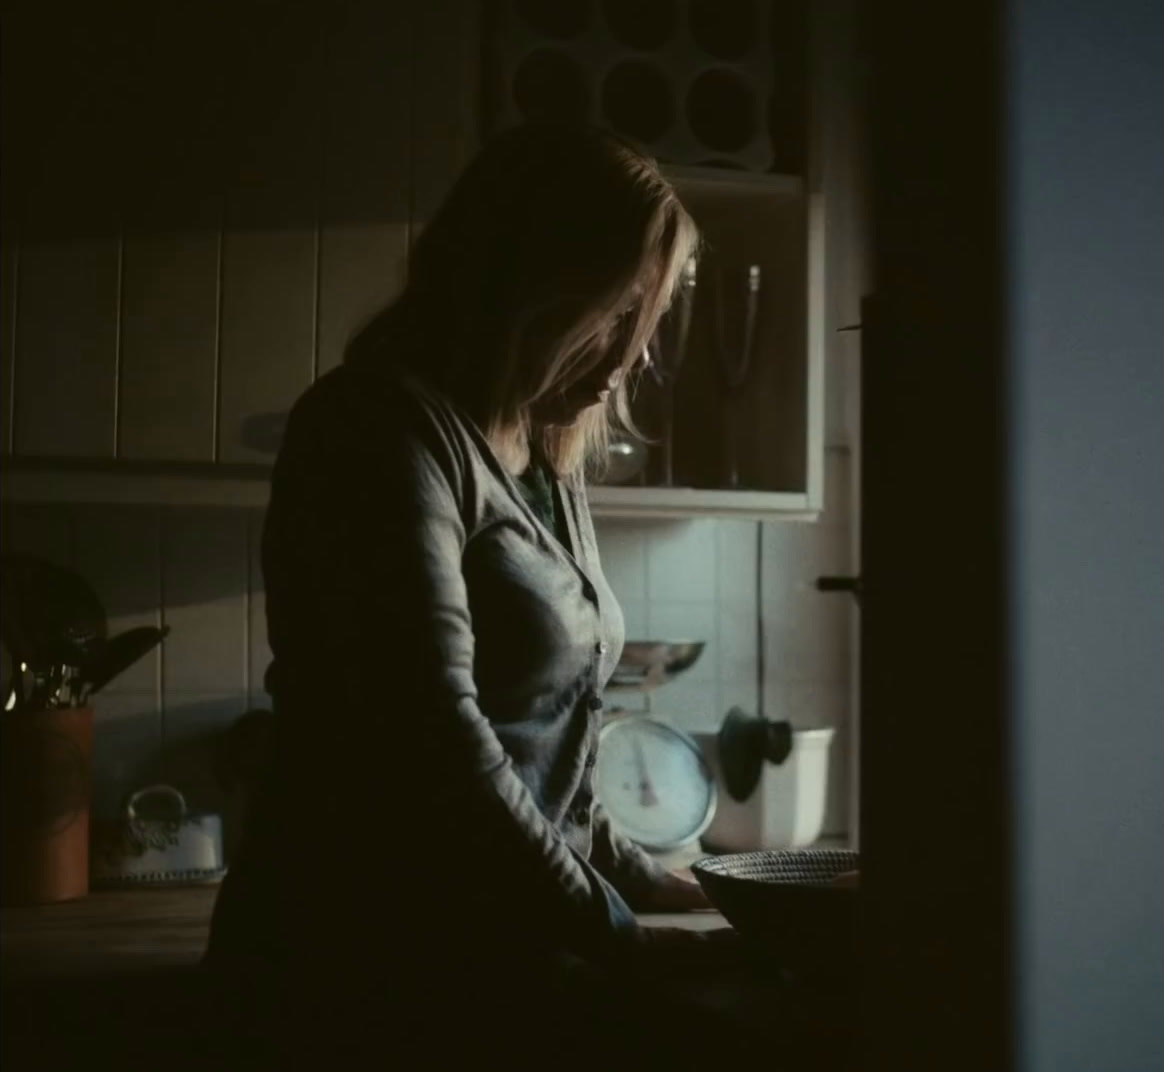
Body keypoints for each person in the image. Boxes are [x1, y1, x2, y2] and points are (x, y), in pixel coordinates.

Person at [203, 124, 811, 1069]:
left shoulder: (542, 453)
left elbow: (552, 752)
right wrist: (623, 935)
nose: (624, 363)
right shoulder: (379, 430)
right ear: (530, 284)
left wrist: (662, 883)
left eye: (638, 327)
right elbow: (437, 743)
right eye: (613, 318)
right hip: (363, 972)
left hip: (498, 962)